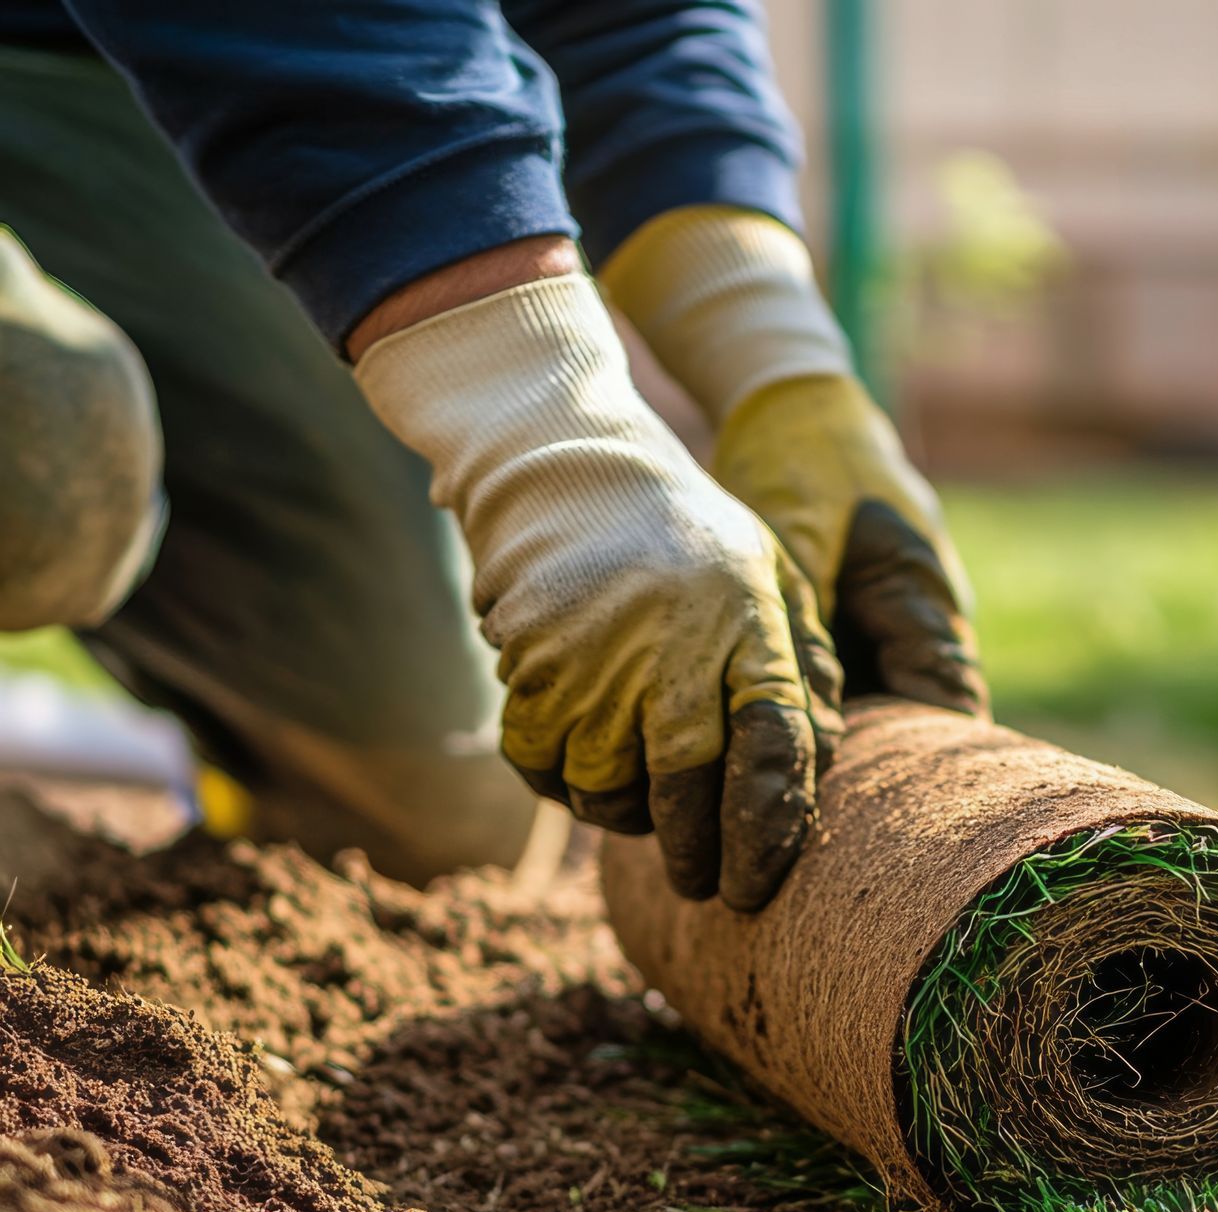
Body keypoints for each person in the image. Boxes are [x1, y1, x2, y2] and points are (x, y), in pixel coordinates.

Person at [0, 0, 987, 900]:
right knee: (44, 452)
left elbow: (635, 20)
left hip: (154, 78)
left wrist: (783, 374)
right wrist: (553, 431)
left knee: (431, 813)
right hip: (259, 43)